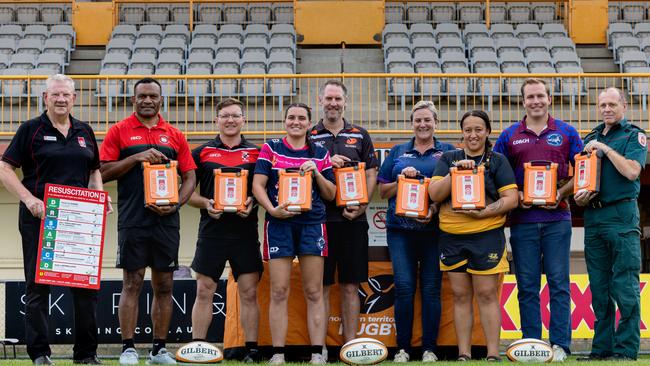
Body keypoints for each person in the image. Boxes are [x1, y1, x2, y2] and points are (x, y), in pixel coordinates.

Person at [0, 74, 109, 365]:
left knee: (85, 288)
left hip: (80, 219)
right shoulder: (31, 130)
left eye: (66, 95)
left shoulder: (85, 131)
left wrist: (100, 198)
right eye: (55, 94)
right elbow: (5, 168)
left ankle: (86, 354)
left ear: (74, 99)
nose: (61, 99)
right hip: (40, 218)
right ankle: (40, 354)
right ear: (45, 97)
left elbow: (94, 171)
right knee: (38, 287)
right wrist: (29, 199)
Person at [99, 78, 197, 365]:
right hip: (132, 218)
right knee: (132, 282)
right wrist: (138, 157)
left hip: (166, 221)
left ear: (160, 100)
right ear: (134, 100)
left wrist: (177, 202)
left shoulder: (175, 135)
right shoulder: (118, 131)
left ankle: (159, 350)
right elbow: (103, 172)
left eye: (152, 96)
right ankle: (128, 348)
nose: (147, 100)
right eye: (141, 96)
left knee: (165, 284)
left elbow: (190, 175)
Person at [493, 78, 583, 361]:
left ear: (549, 99)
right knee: (527, 285)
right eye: (530, 97)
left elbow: (582, 171)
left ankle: (560, 345)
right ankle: (532, 342)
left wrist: (560, 192)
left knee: (559, 282)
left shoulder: (568, 132)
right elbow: (496, 174)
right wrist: (515, 194)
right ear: (523, 101)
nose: (536, 101)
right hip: (522, 220)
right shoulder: (509, 136)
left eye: (540, 96)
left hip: (558, 218)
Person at [428, 110, 518, 362]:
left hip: (486, 235)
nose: (473, 134)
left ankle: (491, 353)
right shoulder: (448, 158)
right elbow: (434, 194)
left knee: (488, 294)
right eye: (468, 130)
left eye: (478, 129)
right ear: (462, 133)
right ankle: (464, 353)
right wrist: (454, 172)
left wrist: (484, 213)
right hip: (452, 236)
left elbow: (512, 199)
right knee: (460, 295)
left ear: (488, 131)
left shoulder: (497, 160)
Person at [252, 103, 336, 365]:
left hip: (312, 224)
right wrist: (271, 209)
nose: (296, 122)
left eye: (301, 118)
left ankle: (317, 353)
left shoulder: (320, 152)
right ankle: (278, 353)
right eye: (291, 117)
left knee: (314, 291)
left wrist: (317, 174)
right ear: (285, 121)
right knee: (279, 291)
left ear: (310, 124)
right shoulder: (271, 148)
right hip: (279, 224)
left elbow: (331, 194)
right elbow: (257, 185)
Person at [377, 101, 455, 362]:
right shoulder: (398, 151)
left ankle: (429, 348)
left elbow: (454, 190)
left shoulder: (448, 152)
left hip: (435, 230)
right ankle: (402, 349)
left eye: (427, 120)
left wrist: (433, 206)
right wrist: (401, 181)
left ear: (436, 122)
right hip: (400, 230)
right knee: (404, 287)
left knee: (432, 289)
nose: (422, 124)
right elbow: (382, 190)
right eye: (418, 120)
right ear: (411, 123)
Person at [188, 98, 263, 363]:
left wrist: (252, 203)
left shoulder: (256, 152)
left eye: (235, 116)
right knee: (204, 289)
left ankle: (251, 349)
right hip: (212, 231)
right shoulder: (201, 152)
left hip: (245, 231)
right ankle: (198, 347)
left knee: (249, 292)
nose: (230, 120)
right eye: (225, 116)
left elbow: (262, 190)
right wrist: (205, 203)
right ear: (216, 120)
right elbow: (186, 192)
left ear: (244, 120)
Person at [574, 87, 646, 361]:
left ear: (623, 107)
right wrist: (579, 198)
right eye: (602, 104)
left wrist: (604, 148)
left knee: (625, 285)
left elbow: (631, 171)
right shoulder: (590, 137)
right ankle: (601, 349)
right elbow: (583, 178)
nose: (606, 109)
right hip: (593, 216)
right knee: (599, 288)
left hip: (621, 215)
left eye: (612, 104)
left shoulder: (633, 135)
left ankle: (626, 350)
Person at [309, 80, 379, 351]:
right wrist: (324, 162)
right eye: (328, 98)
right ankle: (322, 348)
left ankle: (350, 346)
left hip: (353, 219)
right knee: (322, 287)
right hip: (319, 221)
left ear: (345, 102)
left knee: (351, 286)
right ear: (320, 100)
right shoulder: (309, 133)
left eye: (337, 98)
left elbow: (371, 172)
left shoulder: (360, 134)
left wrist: (362, 205)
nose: (333, 103)